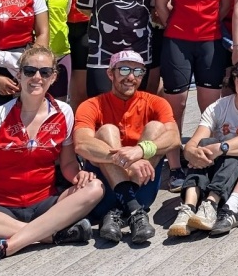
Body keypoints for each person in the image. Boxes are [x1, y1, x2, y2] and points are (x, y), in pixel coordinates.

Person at [0, 44, 103, 266]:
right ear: (18, 74)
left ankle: (8, 246)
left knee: (95, 188)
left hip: (45, 204)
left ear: (53, 77)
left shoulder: (64, 112)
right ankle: (50, 235)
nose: (37, 77)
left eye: (44, 72)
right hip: (1, 208)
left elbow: (67, 164)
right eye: (29, 71)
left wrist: (79, 175)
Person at [155, 0, 235, 190]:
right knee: (175, 105)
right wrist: (179, 26)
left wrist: (206, 26)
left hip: (210, 41)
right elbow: (161, 4)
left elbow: (225, 5)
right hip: (178, 40)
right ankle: (175, 165)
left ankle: (204, 156)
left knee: (209, 105)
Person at [73, 49, 181, 244]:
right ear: (110, 73)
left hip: (142, 184)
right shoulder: (91, 105)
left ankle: (119, 210)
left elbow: (174, 138)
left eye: (138, 72)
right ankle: (133, 210)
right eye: (124, 70)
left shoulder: (156, 102)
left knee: (156, 129)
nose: (131, 77)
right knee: (107, 131)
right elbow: (81, 143)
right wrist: (126, 162)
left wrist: (140, 151)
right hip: (103, 189)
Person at [169, 57, 238, 237]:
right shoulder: (218, 107)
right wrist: (193, 153)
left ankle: (211, 203)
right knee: (204, 145)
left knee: (234, 148)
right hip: (216, 170)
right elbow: (193, 143)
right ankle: (189, 206)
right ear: (233, 82)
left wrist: (222, 147)